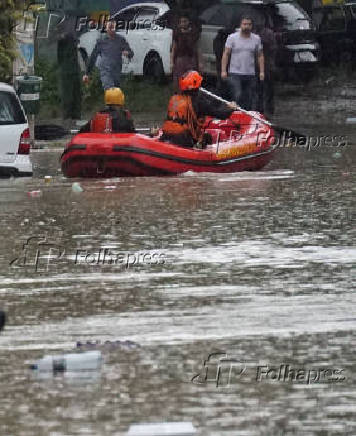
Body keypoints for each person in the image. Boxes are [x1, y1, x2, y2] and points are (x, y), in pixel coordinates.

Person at [161, 70, 237, 148]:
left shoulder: (175, 98)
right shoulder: (199, 102)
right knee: (208, 138)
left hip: (166, 135)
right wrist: (230, 108)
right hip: (184, 139)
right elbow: (221, 114)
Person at [221, 16, 265, 111]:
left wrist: (262, 72)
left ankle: (246, 115)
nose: (247, 26)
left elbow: (260, 55)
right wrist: (223, 70)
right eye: (244, 24)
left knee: (249, 97)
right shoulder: (232, 38)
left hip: (250, 73)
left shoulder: (256, 39)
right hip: (235, 72)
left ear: (252, 26)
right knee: (237, 94)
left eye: (249, 24)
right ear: (240, 25)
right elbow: (226, 54)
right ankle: (235, 114)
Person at [83, 20, 134, 90]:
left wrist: (128, 53)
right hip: (105, 71)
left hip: (116, 71)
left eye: (113, 27)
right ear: (106, 28)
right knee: (111, 90)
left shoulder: (121, 40)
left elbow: (131, 53)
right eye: (109, 27)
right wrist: (87, 73)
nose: (111, 29)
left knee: (116, 94)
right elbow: (93, 57)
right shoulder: (101, 41)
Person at [57, 14, 82, 128]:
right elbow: (60, 56)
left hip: (75, 70)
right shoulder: (63, 40)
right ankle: (67, 118)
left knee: (77, 94)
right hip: (67, 71)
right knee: (68, 95)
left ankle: (75, 117)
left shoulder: (73, 38)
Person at [171, 14, 203, 91]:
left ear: (189, 22)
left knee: (191, 80)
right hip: (180, 58)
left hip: (191, 58)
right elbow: (173, 48)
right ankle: (181, 97)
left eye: (184, 21)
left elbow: (198, 48)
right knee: (179, 80)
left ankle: (191, 98)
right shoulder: (177, 33)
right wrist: (171, 62)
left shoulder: (194, 33)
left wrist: (200, 62)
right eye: (181, 22)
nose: (183, 24)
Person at [256, 23, 277, 116]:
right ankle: (262, 109)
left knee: (268, 89)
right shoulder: (254, 34)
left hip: (268, 66)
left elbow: (274, 48)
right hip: (259, 66)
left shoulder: (268, 33)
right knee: (260, 89)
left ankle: (268, 109)